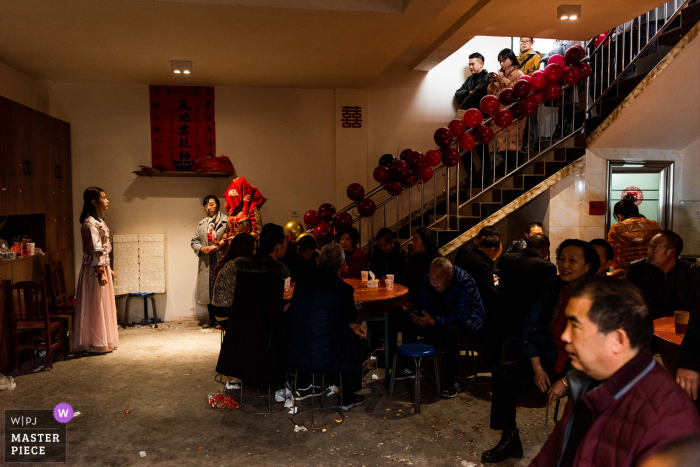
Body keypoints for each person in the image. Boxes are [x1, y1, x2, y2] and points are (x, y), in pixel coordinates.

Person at [530, 277, 700, 467]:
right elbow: (554, 452)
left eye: (576, 326)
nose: (565, 336)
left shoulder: (669, 421)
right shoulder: (584, 380)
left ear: (617, 340)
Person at [482, 239, 599, 463]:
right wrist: (536, 366)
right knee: (502, 373)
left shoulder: (600, 296)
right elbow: (531, 325)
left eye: (572, 261)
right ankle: (510, 439)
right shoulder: (553, 286)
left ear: (587, 266)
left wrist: (566, 381)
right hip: (549, 359)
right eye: (561, 259)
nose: (564, 264)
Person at [285, 243, 368, 410]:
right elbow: (349, 317)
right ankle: (347, 396)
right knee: (356, 337)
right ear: (342, 265)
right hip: (323, 353)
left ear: (318, 261)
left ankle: (303, 383)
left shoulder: (302, 282)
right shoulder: (343, 288)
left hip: (294, 349)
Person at [624, 231, 700, 405]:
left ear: (671, 252)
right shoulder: (636, 270)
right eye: (649, 247)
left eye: (653, 248)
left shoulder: (692, 273)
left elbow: (697, 310)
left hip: (679, 333)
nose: (648, 252)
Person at [399, 258, 486, 398]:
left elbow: (462, 315)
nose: (433, 281)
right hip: (438, 315)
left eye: (437, 278)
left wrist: (435, 321)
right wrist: (417, 315)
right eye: (431, 277)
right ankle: (410, 366)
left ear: (449, 276)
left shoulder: (464, 282)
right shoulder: (428, 280)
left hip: (466, 321)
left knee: (450, 332)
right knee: (407, 321)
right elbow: (423, 300)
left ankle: (453, 378)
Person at [215, 224, 290, 386]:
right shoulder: (273, 273)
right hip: (262, 342)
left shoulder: (245, 266)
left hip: (239, 336)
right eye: (285, 246)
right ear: (277, 248)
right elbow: (274, 315)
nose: (286, 249)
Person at [72, 187, 120, 353]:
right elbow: (95, 248)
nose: (107, 201)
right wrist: (100, 271)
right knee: (95, 304)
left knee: (103, 303)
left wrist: (108, 267)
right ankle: (95, 341)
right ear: (94, 201)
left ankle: (103, 339)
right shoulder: (89, 223)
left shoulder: (99, 220)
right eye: (104, 198)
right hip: (94, 269)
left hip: (101, 266)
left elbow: (105, 248)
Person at [497, 234, 557, 337]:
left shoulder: (506, 258)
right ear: (545, 249)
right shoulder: (547, 267)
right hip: (531, 322)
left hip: (504, 318)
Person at [487, 48, 525, 178]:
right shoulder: (502, 74)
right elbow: (492, 94)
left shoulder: (519, 73)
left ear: (512, 59)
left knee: (513, 142)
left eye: (504, 60)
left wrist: (503, 79)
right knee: (503, 143)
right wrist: (493, 84)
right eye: (500, 61)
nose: (502, 64)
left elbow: (517, 90)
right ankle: (508, 169)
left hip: (514, 113)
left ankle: (515, 169)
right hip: (501, 112)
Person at [191, 195, 228, 328]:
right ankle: (211, 319)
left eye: (211, 204)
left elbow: (229, 238)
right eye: (206, 205)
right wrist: (202, 248)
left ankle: (221, 320)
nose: (208, 208)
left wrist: (218, 246)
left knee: (221, 290)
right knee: (209, 291)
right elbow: (194, 241)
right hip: (207, 261)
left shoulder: (226, 221)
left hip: (221, 260)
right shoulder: (202, 223)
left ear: (218, 205)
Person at [608, 193, 661, 277]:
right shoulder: (654, 226)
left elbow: (611, 256)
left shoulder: (615, 229)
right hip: (650, 273)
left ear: (620, 215)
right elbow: (659, 251)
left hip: (624, 274)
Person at [211, 233, 256, 330]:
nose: (255, 252)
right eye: (253, 249)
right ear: (245, 250)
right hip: (227, 315)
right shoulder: (237, 265)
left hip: (221, 312)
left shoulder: (231, 262)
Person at [456, 235, 501, 320]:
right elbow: (490, 294)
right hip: (474, 309)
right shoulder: (482, 265)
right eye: (497, 254)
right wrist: (499, 284)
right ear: (491, 250)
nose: (496, 258)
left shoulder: (468, 255)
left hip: (460, 300)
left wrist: (489, 277)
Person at [403, 227, 442, 312]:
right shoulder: (413, 258)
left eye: (416, 241)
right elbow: (407, 279)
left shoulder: (436, 259)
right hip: (413, 302)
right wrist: (408, 299)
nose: (413, 244)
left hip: (431, 304)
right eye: (413, 241)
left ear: (425, 242)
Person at [222, 174, 266, 240]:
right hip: (231, 247)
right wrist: (226, 235)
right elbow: (229, 230)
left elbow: (258, 232)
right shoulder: (231, 209)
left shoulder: (251, 208)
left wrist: (239, 239)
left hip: (246, 247)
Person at [454, 52, 490, 117]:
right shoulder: (470, 79)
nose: (470, 67)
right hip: (468, 115)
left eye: (472, 64)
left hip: (480, 116)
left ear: (481, 64)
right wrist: (468, 92)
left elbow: (476, 95)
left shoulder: (486, 77)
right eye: (469, 64)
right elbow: (457, 96)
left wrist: (469, 96)